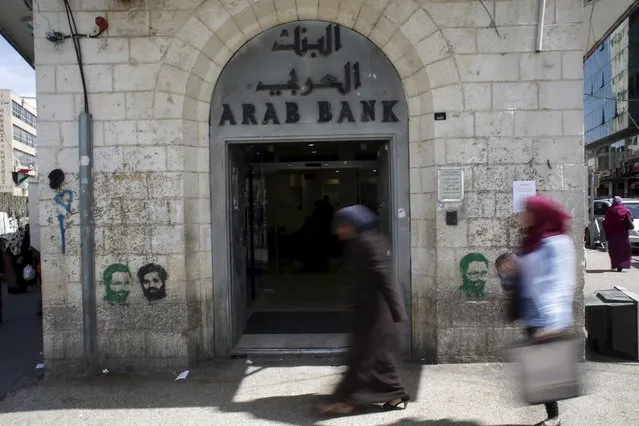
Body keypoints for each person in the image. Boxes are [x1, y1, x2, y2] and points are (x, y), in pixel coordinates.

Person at [318, 205, 409, 414]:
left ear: (352, 225)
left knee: (362, 357)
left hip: (375, 313)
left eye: (341, 226)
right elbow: (359, 278)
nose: (338, 231)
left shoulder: (369, 242)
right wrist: (352, 304)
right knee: (378, 357)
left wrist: (398, 311)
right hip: (367, 310)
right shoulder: (360, 242)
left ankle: (347, 400)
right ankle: (395, 393)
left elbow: (385, 278)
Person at [517, 195, 576, 426]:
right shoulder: (532, 240)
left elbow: (561, 283)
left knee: (547, 370)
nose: (521, 215)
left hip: (547, 317)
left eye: (526, 211)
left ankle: (554, 418)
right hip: (532, 313)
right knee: (540, 370)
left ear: (538, 214)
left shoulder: (556, 243)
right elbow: (528, 277)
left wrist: (553, 323)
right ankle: (553, 415)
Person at [603, 196, 633, 272]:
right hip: (623, 235)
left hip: (612, 235)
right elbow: (631, 219)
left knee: (614, 250)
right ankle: (622, 265)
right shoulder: (625, 210)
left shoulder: (610, 211)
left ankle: (616, 265)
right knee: (624, 250)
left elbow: (606, 222)